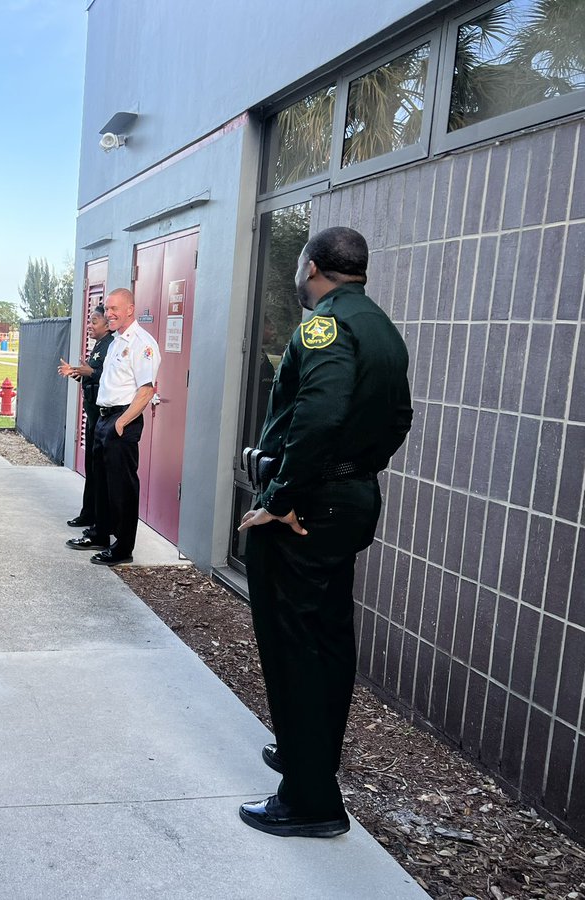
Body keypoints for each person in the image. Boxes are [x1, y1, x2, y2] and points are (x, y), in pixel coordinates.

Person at [236, 226, 412, 838]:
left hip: (307, 509)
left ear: (311, 267)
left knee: (295, 648)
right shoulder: (381, 326)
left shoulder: (326, 324)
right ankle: (305, 754)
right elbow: (399, 418)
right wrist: (351, 472)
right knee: (327, 638)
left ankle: (310, 800)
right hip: (348, 499)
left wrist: (281, 499)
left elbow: (319, 414)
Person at [66, 288, 159, 566]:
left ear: (130, 309)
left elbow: (146, 390)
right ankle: (100, 534)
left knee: (122, 487)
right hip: (104, 418)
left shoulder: (142, 344)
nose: (109, 314)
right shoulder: (116, 341)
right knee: (102, 483)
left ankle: (123, 548)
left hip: (122, 420)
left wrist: (120, 422)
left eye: (114, 308)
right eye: (107, 309)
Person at [58, 304, 113, 530]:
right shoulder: (99, 345)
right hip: (92, 417)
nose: (89, 325)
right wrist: (76, 373)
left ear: (107, 325)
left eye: (94, 322)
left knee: (99, 471)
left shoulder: (111, 345)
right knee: (91, 469)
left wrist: (91, 372)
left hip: (102, 417)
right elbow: (92, 379)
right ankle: (88, 513)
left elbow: (109, 378)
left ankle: (98, 520)